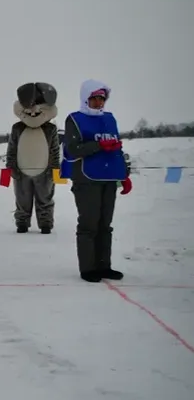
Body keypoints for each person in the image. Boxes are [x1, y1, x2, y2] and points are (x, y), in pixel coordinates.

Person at [61, 80, 131, 283]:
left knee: (105, 225)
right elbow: (71, 150)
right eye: (94, 98)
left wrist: (124, 175)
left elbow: (117, 149)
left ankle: (104, 266)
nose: (99, 102)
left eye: (102, 98)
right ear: (85, 99)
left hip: (109, 177)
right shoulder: (75, 119)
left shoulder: (110, 119)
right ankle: (88, 269)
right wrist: (99, 145)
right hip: (87, 179)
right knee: (89, 225)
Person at [6, 82, 61, 234]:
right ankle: (22, 222)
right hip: (21, 171)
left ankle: (45, 223)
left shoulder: (50, 129)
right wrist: (11, 167)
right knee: (22, 199)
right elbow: (11, 149)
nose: (34, 110)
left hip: (45, 172)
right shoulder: (17, 128)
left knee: (45, 198)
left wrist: (55, 169)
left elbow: (55, 150)